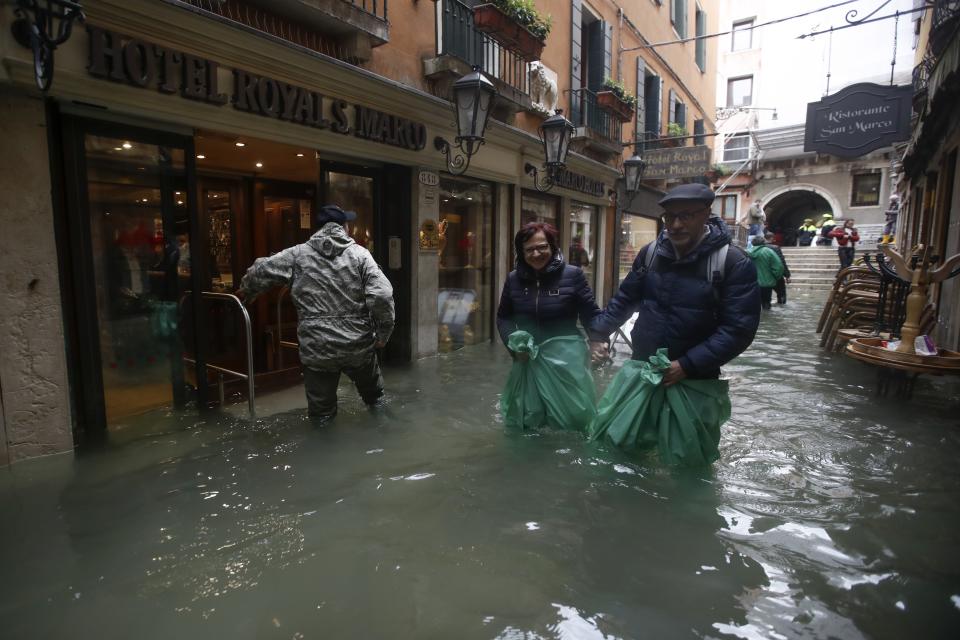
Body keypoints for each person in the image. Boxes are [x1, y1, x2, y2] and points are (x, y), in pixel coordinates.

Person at [588, 183, 761, 386]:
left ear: (706, 214)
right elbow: (625, 300)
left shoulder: (733, 262)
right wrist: (599, 334)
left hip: (696, 379)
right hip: (644, 369)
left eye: (686, 216)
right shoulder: (650, 254)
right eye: (670, 217)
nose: (676, 225)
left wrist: (687, 365)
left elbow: (738, 330)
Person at [237, 204, 395, 423]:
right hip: (357, 346)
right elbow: (382, 295)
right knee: (376, 400)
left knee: (322, 415)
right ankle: (385, 439)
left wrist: (247, 290)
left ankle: (324, 448)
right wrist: (383, 334)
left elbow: (260, 272)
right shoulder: (361, 255)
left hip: (318, 347)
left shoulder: (297, 254)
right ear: (344, 227)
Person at [497, 222, 602, 354]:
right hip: (528, 358)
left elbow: (590, 314)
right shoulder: (513, 279)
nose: (536, 254)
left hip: (567, 359)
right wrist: (513, 345)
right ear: (521, 253)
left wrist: (597, 340)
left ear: (552, 247)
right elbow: (504, 317)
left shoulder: (573, 275)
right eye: (529, 249)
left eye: (542, 247)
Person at [747, 236, 785, 310]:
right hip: (767, 283)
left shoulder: (747, 252)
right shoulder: (769, 252)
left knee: (753, 304)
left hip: (752, 284)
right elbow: (779, 267)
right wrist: (775, 278)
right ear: (763, 242)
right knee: (766, 304)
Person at [764, 232, 791, 304]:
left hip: (763, 276)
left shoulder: (759, 248)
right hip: (776, 275)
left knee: (765, 298)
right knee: (781, 294)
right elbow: (782, 262)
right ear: (772, 238)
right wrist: (787, 275)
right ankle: (782, 307)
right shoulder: (775, 248)